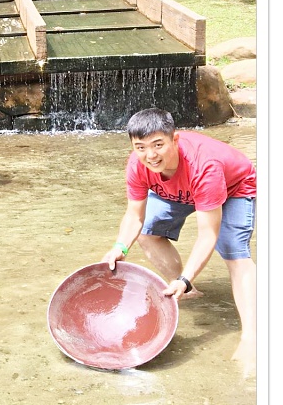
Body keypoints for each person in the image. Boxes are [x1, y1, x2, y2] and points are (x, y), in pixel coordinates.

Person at [102, 107, 256, 369]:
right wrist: (120, 246)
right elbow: (134, 216)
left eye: (158, 145)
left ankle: (253, 336)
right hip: (176, 190)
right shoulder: (138, 165)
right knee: (147, 233)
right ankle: (189, 292)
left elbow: (208, 234)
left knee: (233, 250)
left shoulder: (204, 165)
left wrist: (185, 277)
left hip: (234, 188)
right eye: (140, 147)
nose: (150, 155)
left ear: (175, 139)